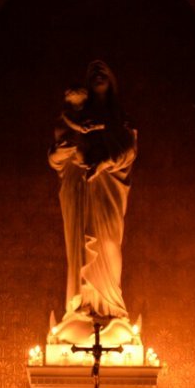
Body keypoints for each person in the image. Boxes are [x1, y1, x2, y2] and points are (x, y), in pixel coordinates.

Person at [48, 60, 137, 345]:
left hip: (109, 189)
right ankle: (83, 307)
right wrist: (71, 147)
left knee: (108, 246)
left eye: (104, 71)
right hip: (81, 192)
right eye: (93, 72)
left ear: (112, 81)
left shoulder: (120, 118)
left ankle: (111, 309)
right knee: (80, 249)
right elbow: (55, 157)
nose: (99, 75)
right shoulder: (74, 119)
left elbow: (129, 151)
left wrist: (105, 161)